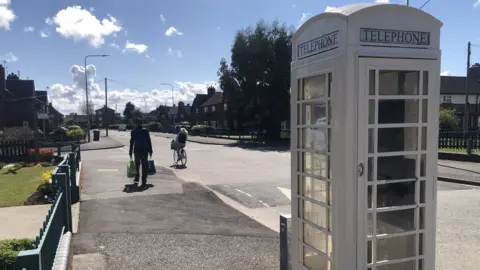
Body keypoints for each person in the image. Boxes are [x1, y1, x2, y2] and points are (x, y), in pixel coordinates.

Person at [129, 119, 153, 187]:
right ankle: (144, 180)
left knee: (137, 165)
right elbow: (149, 141)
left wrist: (130, 152)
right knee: (144, 166)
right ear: (141, 124)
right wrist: (150, 151)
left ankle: (136, 179)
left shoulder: (133, 131)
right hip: (145, 150)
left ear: (136, 124)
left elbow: (131, 143)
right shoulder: (146, 131)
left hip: (137, 151)